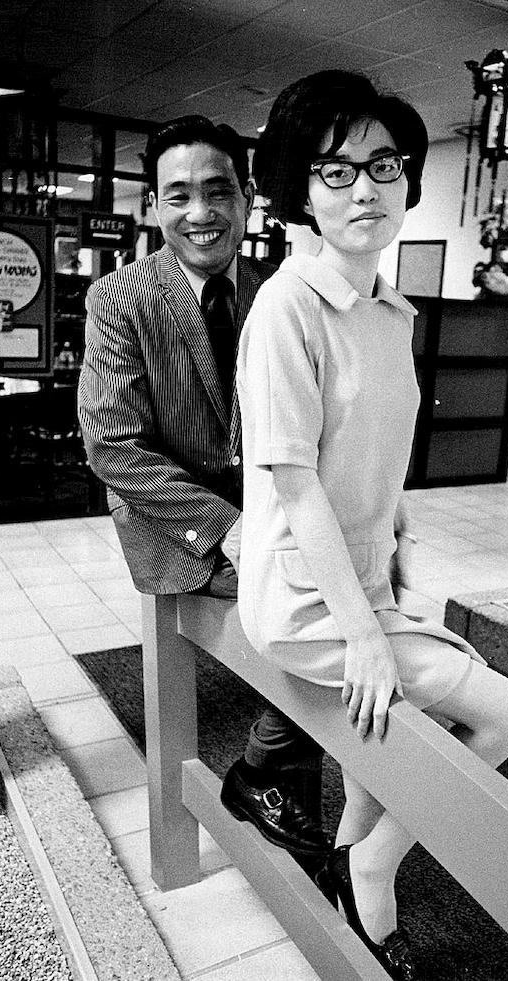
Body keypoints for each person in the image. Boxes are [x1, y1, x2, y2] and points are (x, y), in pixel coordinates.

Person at [239, 72, 508, 980]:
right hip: (306, 596)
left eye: (383, 165)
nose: (364, 189)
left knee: (389, 721)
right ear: (301, 192)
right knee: (507, 714)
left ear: (407, 178)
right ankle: (371, 865)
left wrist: (397, 537)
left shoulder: (389, 311)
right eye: (334, 171)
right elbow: (294, 483)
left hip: (364, 579)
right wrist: (365, 633)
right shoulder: (287, 306)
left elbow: (372, 448)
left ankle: (351, 865)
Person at [77, 115, 328, 862]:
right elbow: (112, 445)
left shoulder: (279, 290)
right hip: (175, 520)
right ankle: (274, 777)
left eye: (218, 191)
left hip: (270, 508)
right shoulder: (119, 299)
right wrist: (228, 526)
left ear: (246, 199)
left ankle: (278, 776)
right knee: (322, 612)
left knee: (354, 588)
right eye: (179, 195)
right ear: (153, 205)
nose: (200, 212)